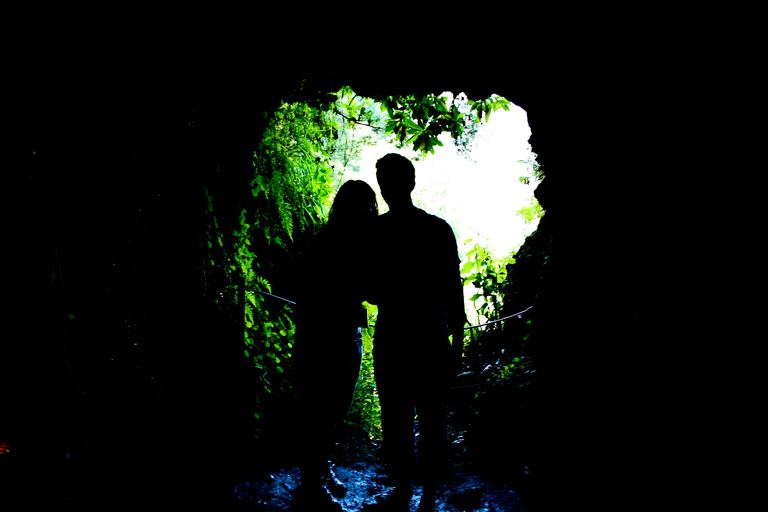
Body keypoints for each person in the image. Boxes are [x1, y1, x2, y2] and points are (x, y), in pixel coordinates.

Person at [365, 154, 466, 512]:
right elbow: (453, 290)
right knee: (431, 413)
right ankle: (428, 493)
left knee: (397, 412)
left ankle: (406, 487)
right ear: (412, 182)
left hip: (394, 331)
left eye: (385, 180)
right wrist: (458, 341)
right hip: (429, 332)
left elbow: (369, 290)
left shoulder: (375, 232)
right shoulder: (438, 229)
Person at [292, 179, 378, 512]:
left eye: (370, 205)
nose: (368, 211)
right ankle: (311, 485)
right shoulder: (328, 244)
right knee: (319, 409)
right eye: (362, 205)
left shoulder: (355, 245)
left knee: (333, 411)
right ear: (347, 208)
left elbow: (369, 290)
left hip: (345, 335)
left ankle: (319, 468)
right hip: (322, 337)